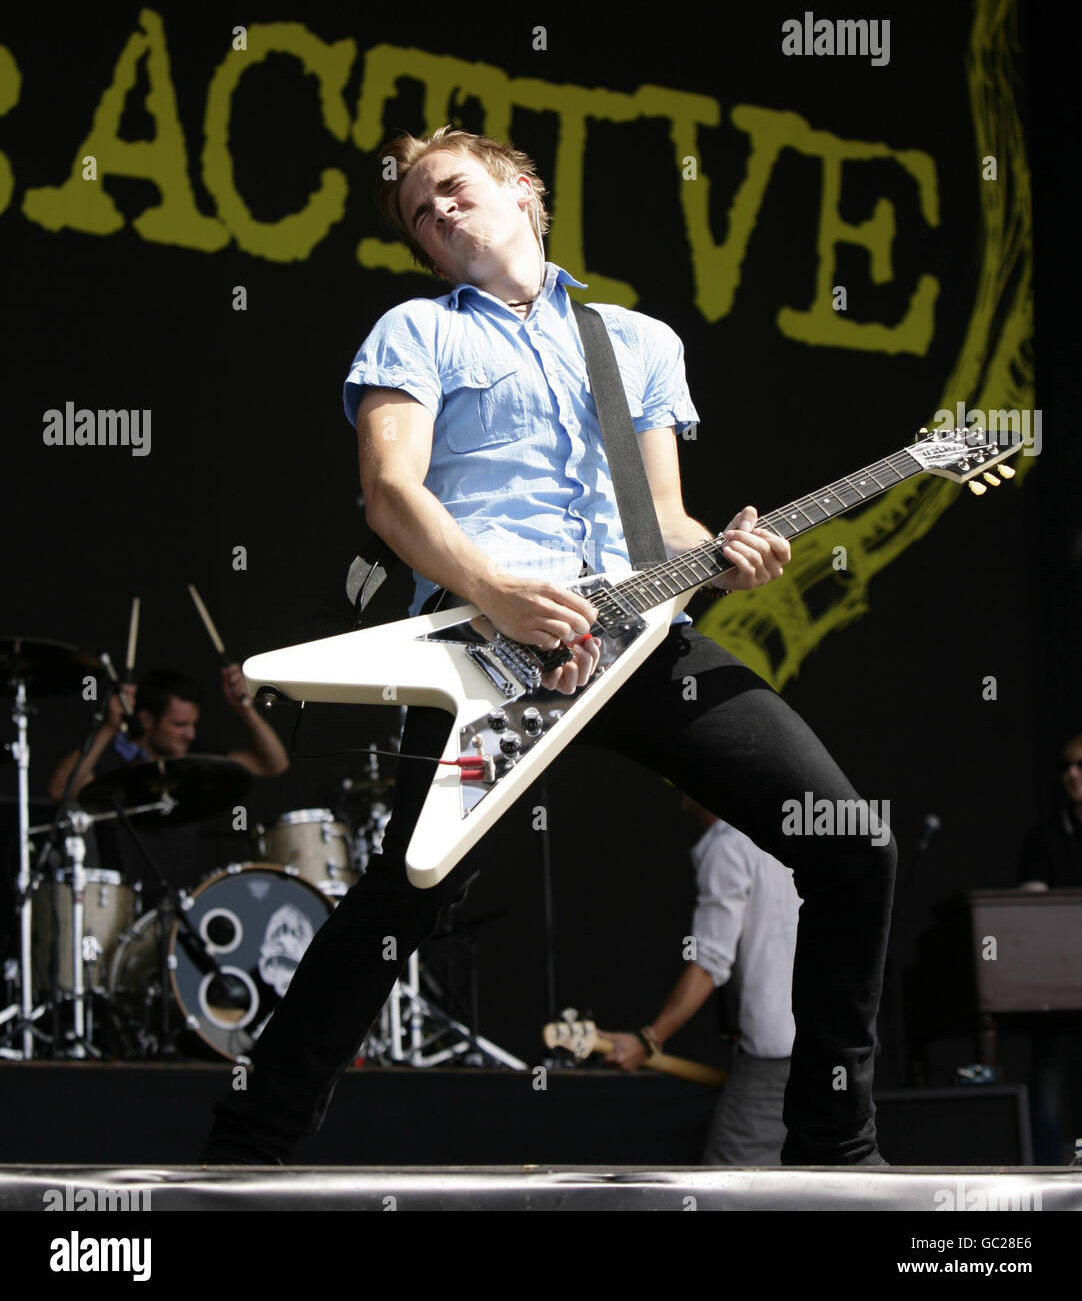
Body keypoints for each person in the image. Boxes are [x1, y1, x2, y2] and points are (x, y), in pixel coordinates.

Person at [201, 126, 896, 1167]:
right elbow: (392, 496)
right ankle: (248, 1144)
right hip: (496, 652)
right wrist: (494, 593)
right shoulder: (416, 332)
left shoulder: (636, 343)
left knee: (849, 841)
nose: (434, 214)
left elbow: (662, 519)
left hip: (642, 642)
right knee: (401, 897)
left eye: (450, 189)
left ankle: (835, 1148)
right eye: (418, 217)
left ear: (522, 189)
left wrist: (727, 550)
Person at [603, 797, 799, 1165]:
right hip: (837, 1047)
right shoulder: (794, 832)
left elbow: (709, 960)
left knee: (729, 1182)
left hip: (779, 1056)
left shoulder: (730, 846)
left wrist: (650, 1039)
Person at [47, 666, 289, 893]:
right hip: (123, 903)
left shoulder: (195, 757)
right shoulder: (111, 759)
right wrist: (108, 727)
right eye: (179, 725)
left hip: (184, 902)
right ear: (146, 720)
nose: (190, 734)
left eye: (193, 724)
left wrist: (245, 710)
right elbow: (60, 790)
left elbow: (274, 764)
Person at [1017, 731, 1082, 1164]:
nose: (1071, 775)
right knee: (1049, 1078)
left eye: (1080, 765)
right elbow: (1029, 916)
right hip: (1057, 988)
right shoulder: (1044, 838)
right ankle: (1048, 1180)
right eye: (1065, 767)